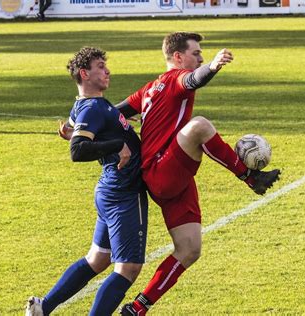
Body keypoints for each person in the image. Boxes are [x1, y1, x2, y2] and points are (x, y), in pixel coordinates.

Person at [114, 32, 281, 315]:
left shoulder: (149, 89)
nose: (201, 57)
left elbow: (113, 112)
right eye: (196, 53)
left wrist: (77, 125)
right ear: (178, 57)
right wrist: (213, 66)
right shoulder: (175, 79)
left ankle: (139, 307)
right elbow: (193, 79)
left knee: (189, 249)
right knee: (200, 126)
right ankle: (250, 177)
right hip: (161, 170)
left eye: (203, 54)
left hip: (174, 178)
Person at [26, 47, 148, 316]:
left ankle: (42, 307)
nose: (107, 71)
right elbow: (78, 150)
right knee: (128, 269)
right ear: (85, 73)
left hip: (110, 191)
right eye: (101, 66)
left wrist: (80, 133)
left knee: (98, 259)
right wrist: (119, 145)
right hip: (123, 192)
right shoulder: (93, 107)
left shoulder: (88, 105)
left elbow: (75, 130)